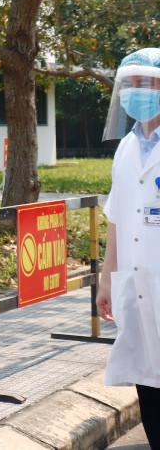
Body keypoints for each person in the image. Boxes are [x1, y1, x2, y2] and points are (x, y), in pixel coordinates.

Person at [97, 47, 160, 450]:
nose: (136, 91)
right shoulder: (126, 148)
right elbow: (117, 217)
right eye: (129, 83)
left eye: (146, 82)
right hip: (138, 291)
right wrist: (106, 280)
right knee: (148, 382)